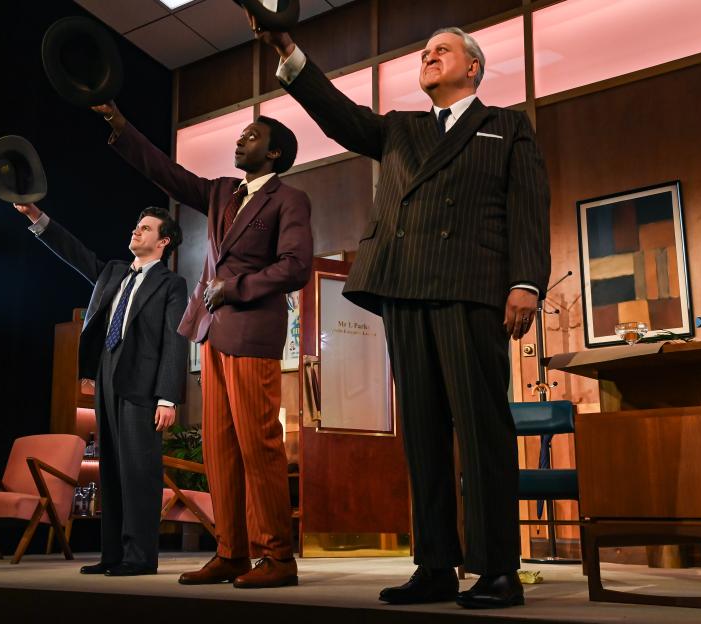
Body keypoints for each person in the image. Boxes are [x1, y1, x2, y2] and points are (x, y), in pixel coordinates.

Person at [250, 15, 551, 609]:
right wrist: (288, 49)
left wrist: (525, 284)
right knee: (422, 434)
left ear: (473, 67)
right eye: (423, 51)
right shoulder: (400, 129)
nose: (427, 55)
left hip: (472, 287)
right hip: (407, 286)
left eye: (441, 50)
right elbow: (339, 116)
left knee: (483, 427)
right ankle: (436, 565)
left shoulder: (508, 127)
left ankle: (497, 570)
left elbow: (529, 208)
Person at [91, 102, 312, 589]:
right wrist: (121, 125)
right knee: (220, 450)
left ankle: (277, 557)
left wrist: (233, 288)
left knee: (259, 448)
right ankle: (231, 553)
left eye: (251, 135)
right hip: (210, 334)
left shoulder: (288, 199)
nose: (240, 140)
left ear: (274, 152)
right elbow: (166, 172)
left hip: (252, 333)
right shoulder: (219, 193)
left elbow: (296, 266)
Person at [13, 202, 187, 577]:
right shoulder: (113, 272)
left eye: (145, 228)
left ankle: (140, 557)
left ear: (164, 240)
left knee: (139, 471)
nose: (136, 232)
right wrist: (35, 217)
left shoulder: (171, 283)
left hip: (143, 385)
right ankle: (113, 555)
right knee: (111, 470)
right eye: (136, 226)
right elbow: (74, 252)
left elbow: (175, 340)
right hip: (107, 375)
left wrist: (168, 397)